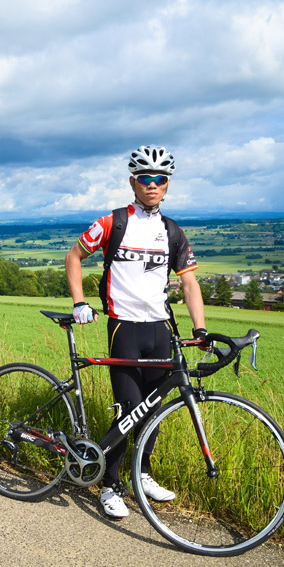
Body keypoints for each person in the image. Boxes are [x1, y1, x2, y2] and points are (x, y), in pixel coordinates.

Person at [64, 145, 207, 519]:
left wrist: (201, 327)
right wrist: (80, 302)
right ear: (133, 181)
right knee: (129, 409)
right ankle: (109, 485)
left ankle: (142, 473)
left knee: (153, 408)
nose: (153, 185)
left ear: (168, 185)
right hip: (123, 329)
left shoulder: (172, 231)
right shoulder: (113, 222)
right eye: (145, 178)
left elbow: (189, 283)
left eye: (160, 179)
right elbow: (74, 256)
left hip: (160, 329)